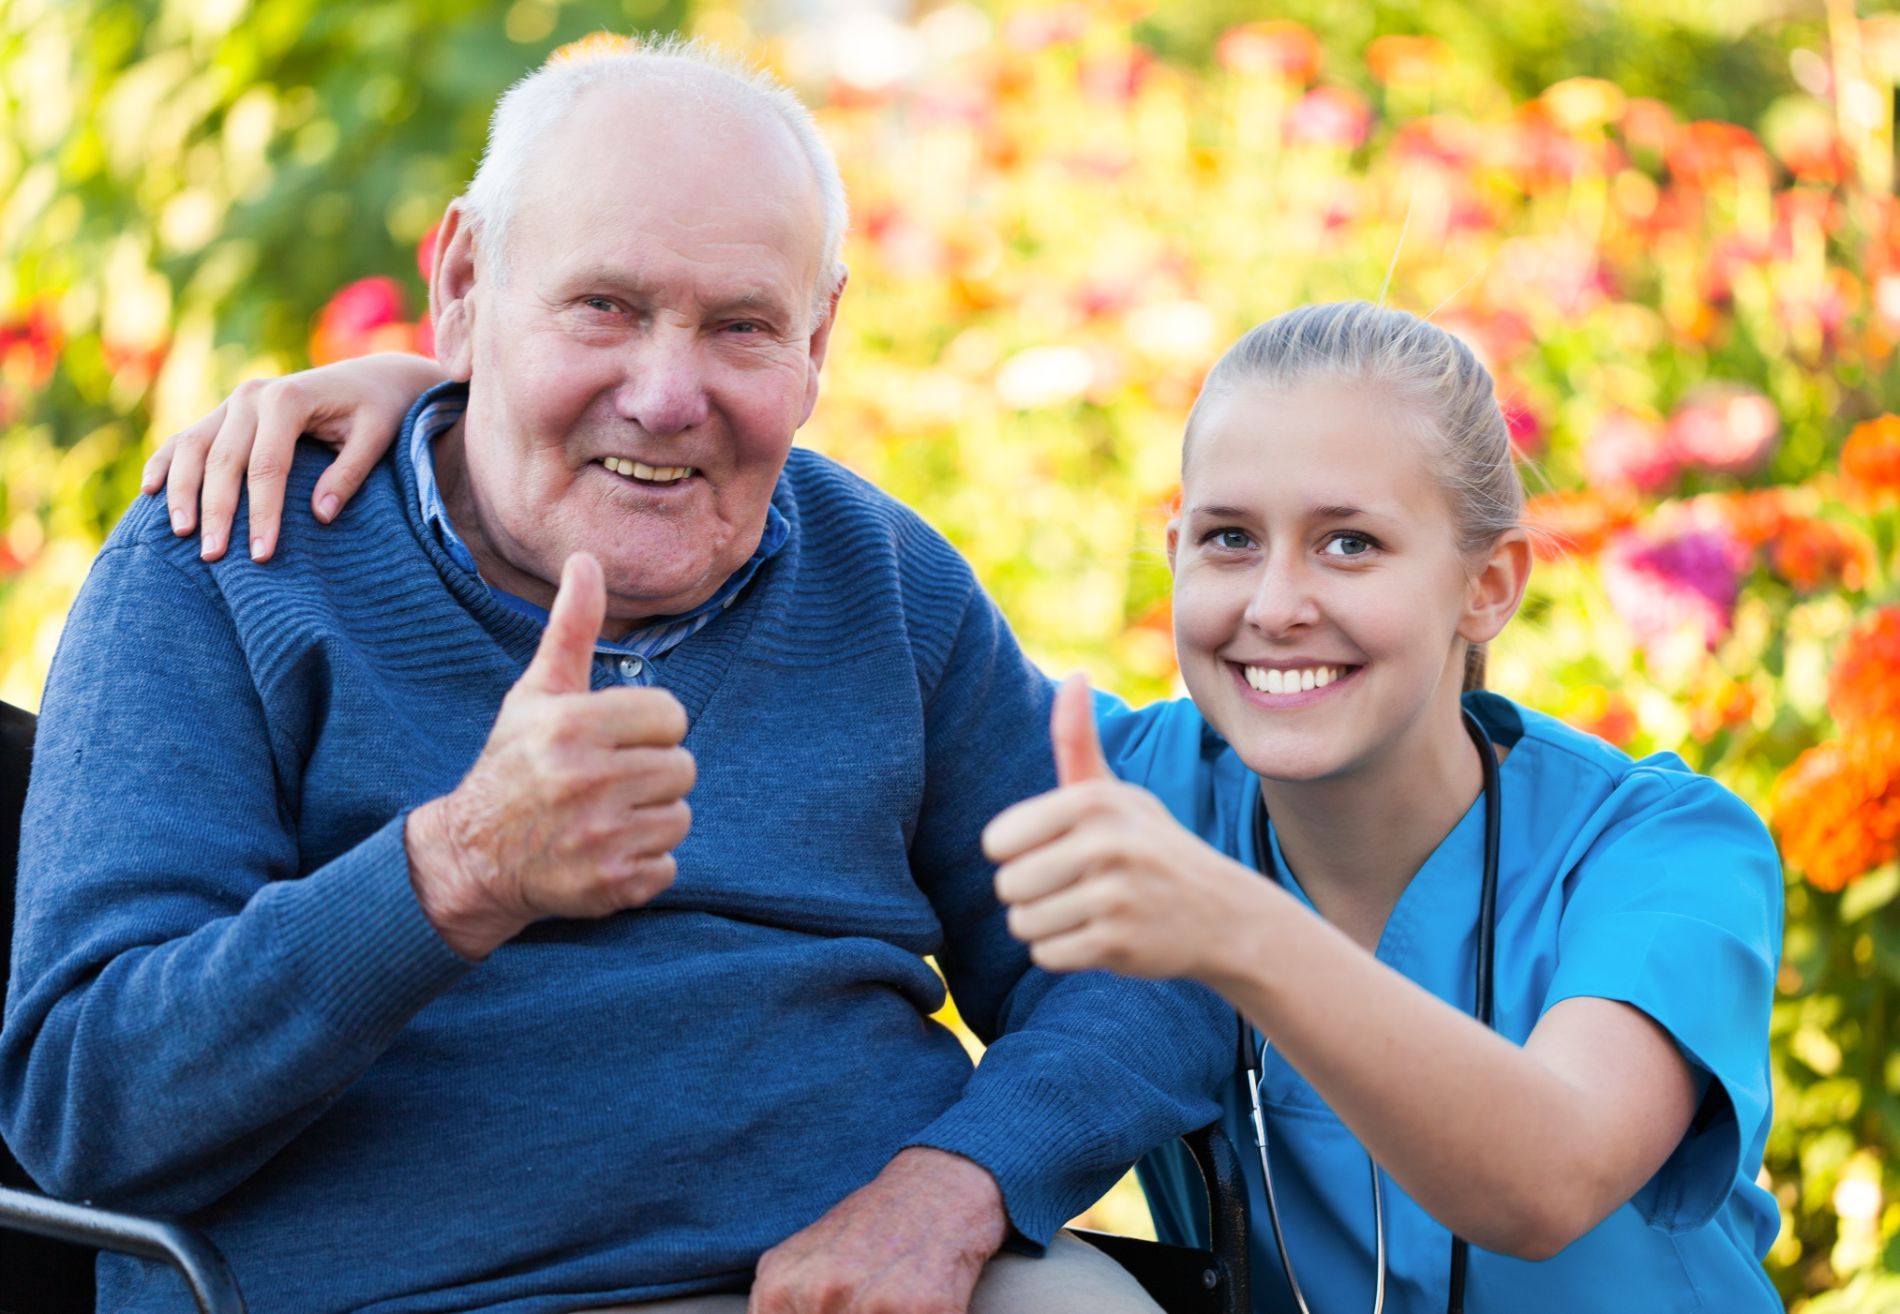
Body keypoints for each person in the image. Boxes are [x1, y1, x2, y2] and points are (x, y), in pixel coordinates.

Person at [1, 38, 1231, 1314]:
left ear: (818, 339)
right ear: (466, 284)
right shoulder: (226, 563)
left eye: (742, 327)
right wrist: (457, 871)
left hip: (864, 1281)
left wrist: (956, 1184)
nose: (663, 394)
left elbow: (1145, 962)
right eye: (606, 306)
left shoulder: (881, 581)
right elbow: (86, 1108)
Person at [984, 302, 1785, 1312]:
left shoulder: (1662, 851)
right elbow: (900, 654)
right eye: (1229, 538)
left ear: (1486, 585)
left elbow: (1552, 1180)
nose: (1273, 606)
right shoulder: (1128, 786)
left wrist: (1233, 929)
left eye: (1349, 544)